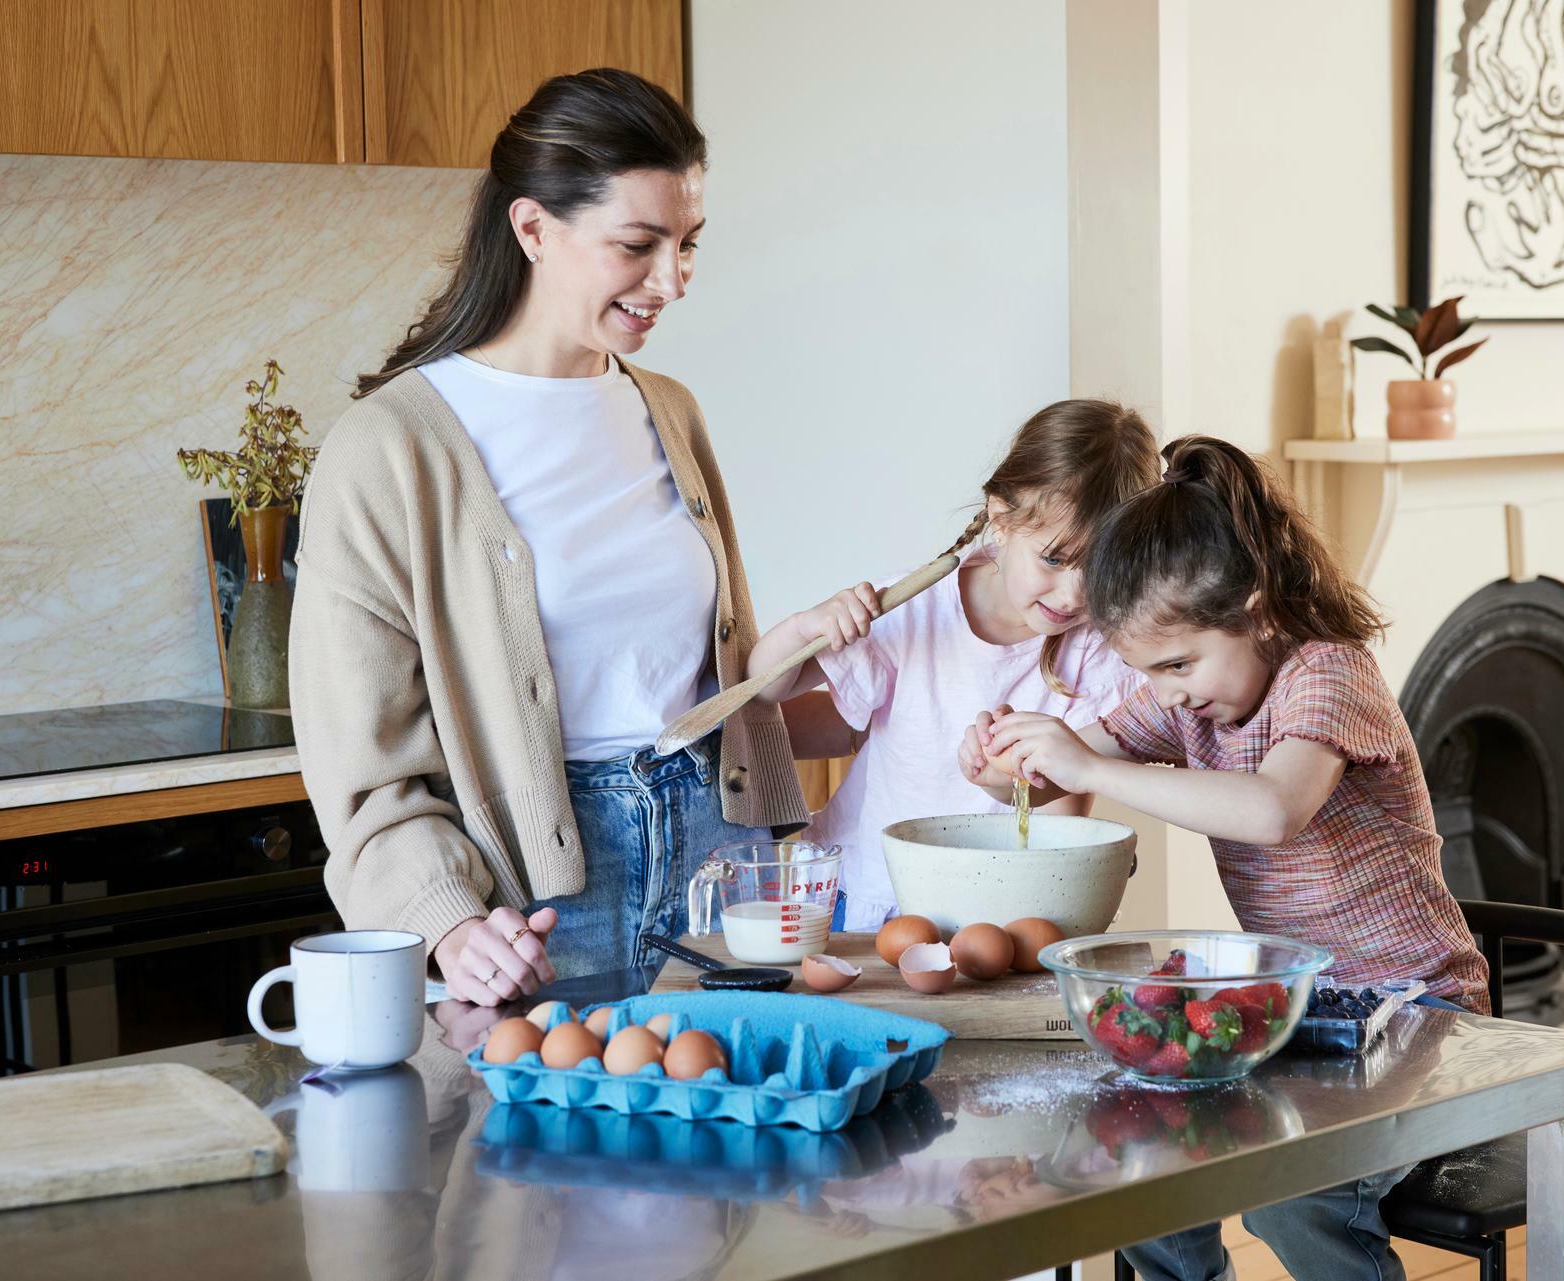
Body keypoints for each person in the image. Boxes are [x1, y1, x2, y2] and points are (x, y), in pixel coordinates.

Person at [289, 69, 808, 1006]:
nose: (673, 281)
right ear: (533, 229)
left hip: (719, 869)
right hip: (536, 906)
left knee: (755, 1143)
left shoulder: (670, 412)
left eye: (689, 244)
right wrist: (446, 916)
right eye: (638, 245)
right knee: (555, 1156)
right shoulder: (390, 446)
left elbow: (700, 669)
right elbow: (361, 764)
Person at [970, 435, 1490, 1281]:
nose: (1169, 690)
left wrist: (1091, 765)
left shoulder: (1328, 674)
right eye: (1150, 670)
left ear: (1253, 605)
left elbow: (1274, 810)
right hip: (1296, 1014)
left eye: (1177, 663)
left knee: (1294, 1192)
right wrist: (1002, 760)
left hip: (1419, 1013)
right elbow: (1064, 756)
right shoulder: (1191, 701)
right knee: (1134, 1142)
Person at [747, 399, 1160, 931]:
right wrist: (805, 627)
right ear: (1002, 518)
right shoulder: (916, 604)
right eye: (1054, 559)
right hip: (864, 894)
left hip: (991, 914)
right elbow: (764, 687)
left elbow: (1060, 828)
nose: (1074, 593)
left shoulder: (1102, 653)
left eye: (1101, 569)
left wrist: (1012, 788)